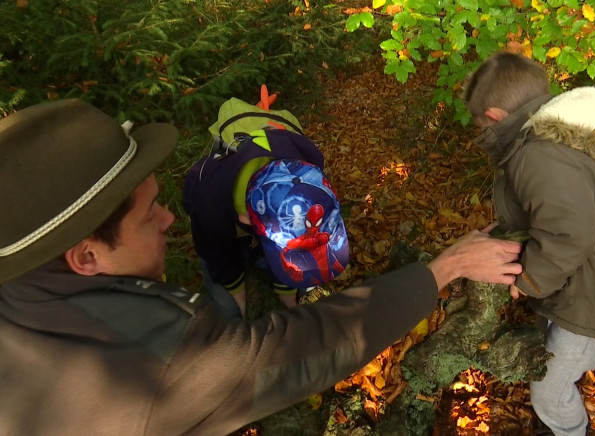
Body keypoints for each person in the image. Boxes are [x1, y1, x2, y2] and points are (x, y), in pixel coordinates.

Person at [0, 99, 524, 435]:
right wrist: (443, 268)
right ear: (86, 256)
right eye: (146, 215)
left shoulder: (22, 295)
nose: (166, 220)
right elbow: (291, 351)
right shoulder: (158, 367)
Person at [463, 52, 595, 436]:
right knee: (552, 365)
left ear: (496, 117)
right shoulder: (554, 143)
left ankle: (570, 430)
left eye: (480, 124)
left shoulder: (538, 155)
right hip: (593, 285)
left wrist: (528, 282)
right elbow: (555, 216)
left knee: (548, 390)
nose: (480, 131)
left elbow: (569, 234)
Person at [182, 86, 341, 318]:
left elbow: (294, 253)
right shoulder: (209, 204)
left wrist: (289, 298)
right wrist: (238, 296)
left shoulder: (309, 170)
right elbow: (214, 251)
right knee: (226, 303)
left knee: (276, 266)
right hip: (214, 220)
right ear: (245, 219)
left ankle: (263, 259)